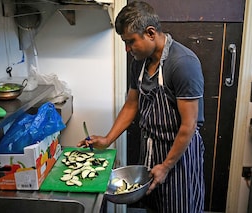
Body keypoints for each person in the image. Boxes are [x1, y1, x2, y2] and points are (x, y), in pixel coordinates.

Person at [78, 1, 205, 212]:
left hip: (178, 153)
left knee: (179, 207)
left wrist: (166, 166)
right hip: (151, 148)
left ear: (151, 33)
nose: (127, 49)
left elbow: (188, 126)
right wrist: (108, 139)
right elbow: (131, 105)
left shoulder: (183, 64)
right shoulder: (139, 62)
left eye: (130, 42)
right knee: (154, 207)